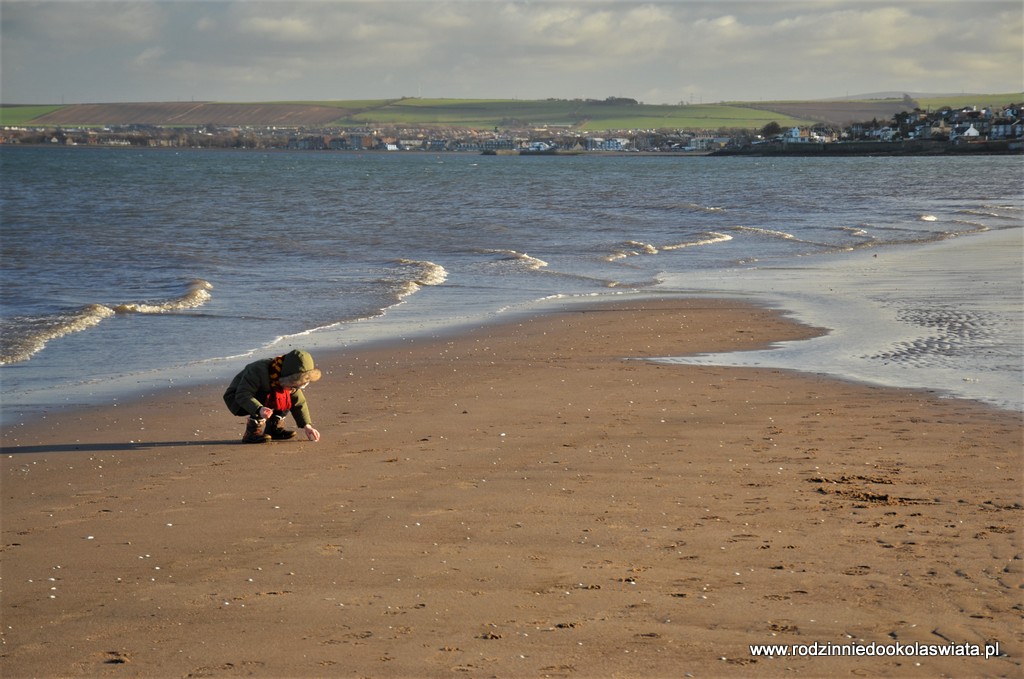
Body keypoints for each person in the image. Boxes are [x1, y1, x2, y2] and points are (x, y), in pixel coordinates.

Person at [223, 349, 322, 444]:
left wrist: (307, 426)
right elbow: (242, 394)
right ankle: (252, 432)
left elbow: (298, 402)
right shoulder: (258, 371)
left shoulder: (288, 378)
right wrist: (259, 409)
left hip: (262, 398)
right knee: (269, 394)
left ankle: (274, 428)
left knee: (287, 396)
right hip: (237, 400)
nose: (299, 387)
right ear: (290, 377)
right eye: (296, 384)